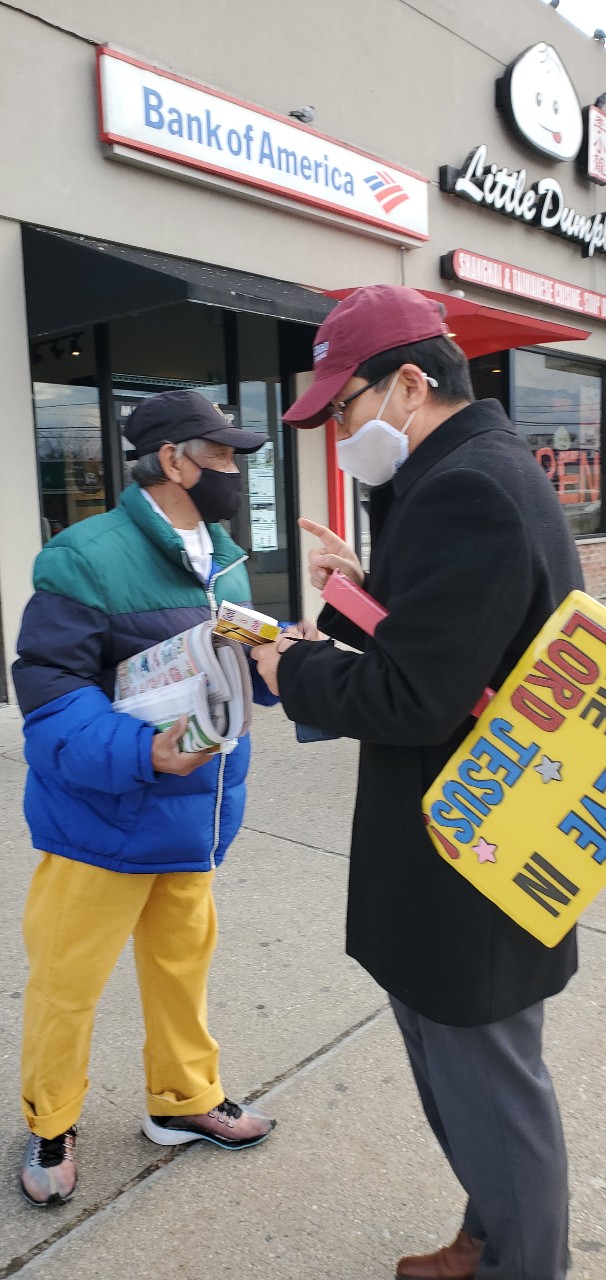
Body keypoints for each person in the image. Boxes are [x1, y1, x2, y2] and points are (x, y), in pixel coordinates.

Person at [251, 286, 581, 1280]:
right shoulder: (473, 470)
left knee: (490, 1091)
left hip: (469, 850)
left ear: (407, 381)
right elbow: (456, 641)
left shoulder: (465, 488)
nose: (339, 431)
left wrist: (292, 665)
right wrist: (358, 592)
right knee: (464, 1081)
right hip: (478, 825)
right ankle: (487, 1239)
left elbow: (413, 696)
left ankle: (522, 1263)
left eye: (342, 407)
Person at [14, 390, 277, 1208]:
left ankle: (184, 1099)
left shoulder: (223, 555)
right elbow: (49, 693)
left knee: (181, 968)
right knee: (67, 983)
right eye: (222, 454)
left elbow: (232, 658)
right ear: (173, 460)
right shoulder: (84, 556)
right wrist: (143, 752)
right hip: (102, 820)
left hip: (193, 813)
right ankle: (51, 1120)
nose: (235, 471)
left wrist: (286, 657)